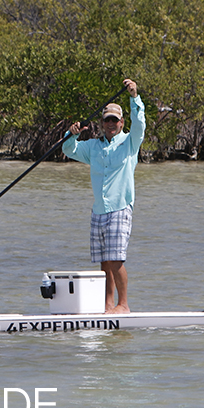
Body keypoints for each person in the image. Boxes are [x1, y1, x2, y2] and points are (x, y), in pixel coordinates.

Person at [61, 79, 145, 314]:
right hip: (99, 210)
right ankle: (108, 305)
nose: (111, 124)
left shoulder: (130, 143)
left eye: (115, 120)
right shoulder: (93, 147)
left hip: (120, 208)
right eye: (107, 120)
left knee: (117, 260)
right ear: (102, 122)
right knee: (105, 263)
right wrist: (71, 134)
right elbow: (68, 150)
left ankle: (123, 305)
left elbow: (139, 124)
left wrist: (134, 97)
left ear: (121, 122)